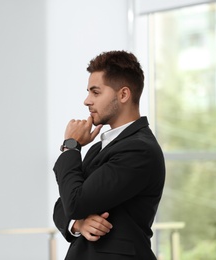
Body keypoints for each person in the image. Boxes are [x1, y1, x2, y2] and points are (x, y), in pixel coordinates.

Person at [52, 50, 165, 259]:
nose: (87, 101)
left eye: (95, 92)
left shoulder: (140, 150)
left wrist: (71, 146)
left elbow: (74, 203)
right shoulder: (98, 148)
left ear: (123, 95)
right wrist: (78, 224)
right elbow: (62, 205)